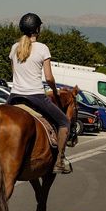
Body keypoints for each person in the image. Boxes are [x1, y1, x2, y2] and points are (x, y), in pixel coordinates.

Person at [8, 12, 72, 174]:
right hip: (35, 96)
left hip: (14, 96)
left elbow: (14, 73)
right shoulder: (43, 48)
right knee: (64, 122)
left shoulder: (15, 48)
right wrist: (54, 89)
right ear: (37, 29)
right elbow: (49, 77)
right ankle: (60, 160)